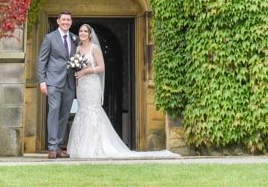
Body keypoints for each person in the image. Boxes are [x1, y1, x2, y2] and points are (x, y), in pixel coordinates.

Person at [65, 23, 177, 160]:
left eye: (85, 31)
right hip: (81, 85)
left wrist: (86, 71)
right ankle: (80, 146)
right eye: (80, 31)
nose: (82, 33)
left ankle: (95, 146)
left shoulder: (94, 49)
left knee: (93, 111)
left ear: (89, 34)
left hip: (92, 84)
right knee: (82, 111)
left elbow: (101, 67)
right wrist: (78, 72)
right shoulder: (77, 49)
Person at [37, 11, 77, 159]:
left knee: (64, 114)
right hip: (53, 81)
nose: (66, 22)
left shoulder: (75, 39)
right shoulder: (49, 38)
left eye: (68, 20)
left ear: (71, 22)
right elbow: (42, 61)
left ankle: (59, 146)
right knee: (54, 110)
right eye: (64, 20)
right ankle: (52, 147)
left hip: (70, 82)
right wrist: (42, 81)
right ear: (58, 21)